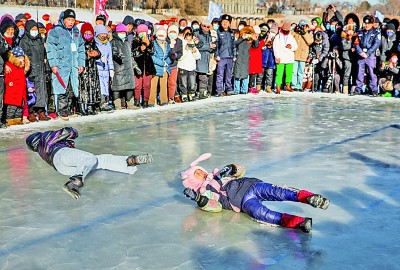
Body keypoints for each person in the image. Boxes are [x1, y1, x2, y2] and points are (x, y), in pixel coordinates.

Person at [181, 153, 330, 233]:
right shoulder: (205, 193)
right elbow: (215, 207)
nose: (201, 173)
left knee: (279, 192)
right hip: (243, 203)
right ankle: (299, 222)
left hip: (251, 185)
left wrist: (232, 168)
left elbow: (241, 170)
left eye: (200, 170)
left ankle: (310, 198)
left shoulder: (218, 174)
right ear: (193, 181)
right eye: (197, 174)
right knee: (263, 215)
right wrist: (198, 198)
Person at [25, 127, 153, 200]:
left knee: (98, 160)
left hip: (61, 167)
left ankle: (129, 161)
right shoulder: (46, 137)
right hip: (62, 153)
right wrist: (71, 135)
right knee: (90, 158)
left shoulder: (40, 150)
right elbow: (69, 131)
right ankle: (74, 182)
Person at [46, 9, 85, 120]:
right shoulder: (55, 31)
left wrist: (81, 63)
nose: (70, 22)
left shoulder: (76, 31)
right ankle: (61, 111)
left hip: (73, 65)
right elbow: (51, 48)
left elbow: (81, 48)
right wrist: (53, 64)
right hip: (61, 65)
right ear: (63, 20)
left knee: (72, 87)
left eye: (72, 20)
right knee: (61, 86)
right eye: (68, 19)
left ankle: (69, 109)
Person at [19, 19, 50, 121]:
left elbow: (44, 53)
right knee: (31, 91)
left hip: (40, 68)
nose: (35, 31)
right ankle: (31, 112)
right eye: (32, 29)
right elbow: (24, 56)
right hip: (31, 69)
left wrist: (46, 64)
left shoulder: (40, 40)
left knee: (41, 91)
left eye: (36, 29)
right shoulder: (24, 41)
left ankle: (41, 111)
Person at [353, 15, 381, 96]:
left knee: (372, 73)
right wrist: (360, 52)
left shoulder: (376, 33)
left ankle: (374, 90)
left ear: (372, 24)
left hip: (370, 55)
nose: (366, 25)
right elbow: (356, 43)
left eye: (368, 24)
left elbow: (376, 44)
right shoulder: (360, 32)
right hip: (361, 54)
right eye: (365, 23)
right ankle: (358, 89)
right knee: (359, 73)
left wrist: (368, 53)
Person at [78, 22, 101, 115]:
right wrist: (87, 54)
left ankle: (91, 106)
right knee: (83, 88)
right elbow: (78, 54)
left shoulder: (93, 42)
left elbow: (98, 52)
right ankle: (82, 106)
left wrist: (97, 54)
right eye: (86, 33)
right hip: (83, 69)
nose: (88, 35)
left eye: (90, 33)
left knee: (93, 87)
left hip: (92, 70)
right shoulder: (80, 43)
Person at [273, 20, 298, 94]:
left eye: (287, 30)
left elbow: (295, 46)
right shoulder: (278, 37)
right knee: (279, 73)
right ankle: (278, 87)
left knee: (289, 73)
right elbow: (275, 47)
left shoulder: (291, 37)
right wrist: (277, 56)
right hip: (280, 57)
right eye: (285, 30)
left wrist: (291, 47)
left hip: (289, 57)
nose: (286, 31)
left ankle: (288, 85)